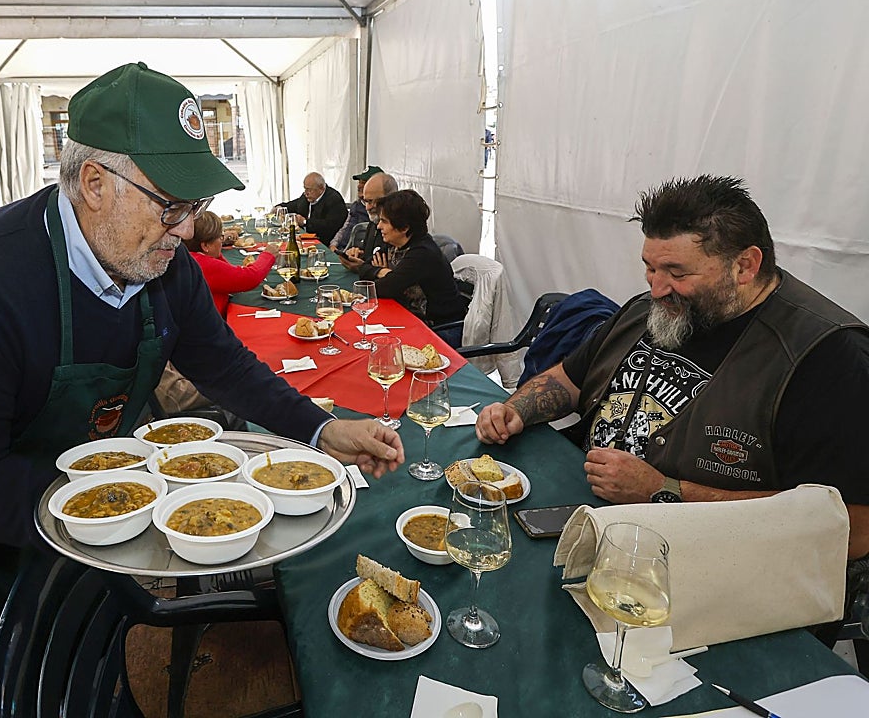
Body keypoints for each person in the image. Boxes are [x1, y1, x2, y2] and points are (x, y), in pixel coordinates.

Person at [0, 62, 404, 717]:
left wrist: (323, 429)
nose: (185, 230)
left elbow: (224, 365)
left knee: (82, 649)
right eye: (171, 205)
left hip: (76, 476)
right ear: (93, 183)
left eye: (196, 207)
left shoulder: (158, 260)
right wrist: (130, 520)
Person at [476, 175, 869, 560]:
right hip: (579, 519)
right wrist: (517, 409)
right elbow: (570, 379)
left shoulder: (829, 356)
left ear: (746, 266)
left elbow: (852, 528)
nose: (656, 288)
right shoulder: (649, 311)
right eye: (650, 267)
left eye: (678, 273)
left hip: (697, 564)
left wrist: (662, 490)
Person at [367, 190, 468, 330]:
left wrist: (386, 276)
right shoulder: (396, 243)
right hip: (412, 316)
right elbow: (365, 267)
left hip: (440, 328)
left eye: (384, 221)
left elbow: (382, 288)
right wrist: (381, 272)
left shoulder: (423, 253)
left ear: (404, 227)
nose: (379, 226)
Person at [185, 211, 279, 315]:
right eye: (220, 237)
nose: (222, 241)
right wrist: (268, 255)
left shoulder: (191, 255)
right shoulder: (201, 265)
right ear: (205, 246)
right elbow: (249, 278)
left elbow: (227, 273)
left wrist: (216, 245)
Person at [339, 171, 398, 276]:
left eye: (371, 201)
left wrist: (364, 267)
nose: (367, 207)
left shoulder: (397, 231)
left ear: (390, 198)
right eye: (365, 201)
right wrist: (357, 255)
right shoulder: (373, 223)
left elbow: (392, 276)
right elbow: (371, 259)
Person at [276, 172, 347, 246]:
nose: (306, 193)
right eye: (305, 189)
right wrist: (279, 207)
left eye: (309, 190)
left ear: (321, 188)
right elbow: (294, 205)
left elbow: (330, 226)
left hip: (323, 243)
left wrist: (305, 222)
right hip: (303, 239)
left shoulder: (334, 200)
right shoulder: (307, 196)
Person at [331, 165, 382, 253]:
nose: (359, 186)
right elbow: (344, 227)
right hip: (341, 250)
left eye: (364, 182)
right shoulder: (356, 205)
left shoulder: (376, 213)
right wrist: (333, 244)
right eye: (359, 182)